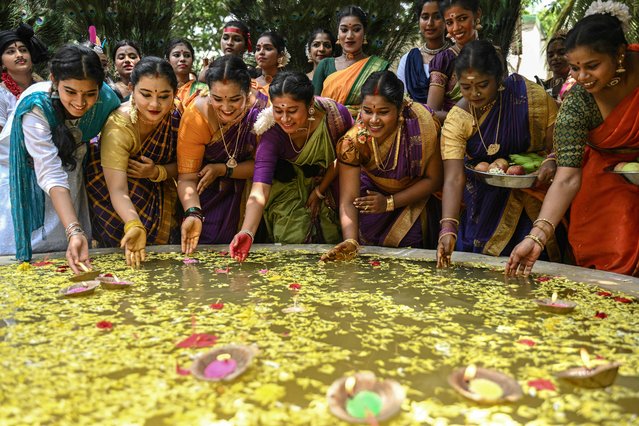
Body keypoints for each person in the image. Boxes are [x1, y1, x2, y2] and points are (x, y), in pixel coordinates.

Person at [506, 3, 639, 277]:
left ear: (620, 55)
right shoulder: (578, 102)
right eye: (575, 68)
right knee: (613, 250)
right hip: (602, 182)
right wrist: (536, 237)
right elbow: (567, 177)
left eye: (592, 66)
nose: (582, 77)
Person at [436, 40, 560, 268]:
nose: (474, 93)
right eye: (465, 87)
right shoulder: (458, 119)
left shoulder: (529, 97)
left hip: (531, 196)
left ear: (499, 77)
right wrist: (448, 227)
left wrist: (551, 161)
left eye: (483, 85)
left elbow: (558, 144)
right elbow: (453, 177)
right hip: (482, 202)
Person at [0, 44, 120, 270]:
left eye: (90, 93)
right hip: (22, 177)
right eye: (70, 92)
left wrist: (73, 231)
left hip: (69, 175)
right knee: (21, 263)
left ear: (100, 87)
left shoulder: (108, 102)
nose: (80, 103)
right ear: (54, 80)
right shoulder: (36, 104)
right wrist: (74, 229)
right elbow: (49, 169)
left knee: (64, 255)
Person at [229, 72, 353, 261]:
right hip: (287, 190)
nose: (285, 119)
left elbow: (347, 159)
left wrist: (320, 190)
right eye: (278, 110)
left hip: (331, 182)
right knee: (292, 242)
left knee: (333, 243)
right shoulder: (272, 133)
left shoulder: (336, 116)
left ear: (310, 105)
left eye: (292, 111)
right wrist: (247, 232)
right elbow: (260, 188)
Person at [322, 71, 442, 261]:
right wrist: (351, 242)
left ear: (400, 108)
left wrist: (389, 202)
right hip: (370, 200)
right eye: (367, 111)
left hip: (413, 199)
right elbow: (348, 200)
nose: (374, 120)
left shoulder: (423, 125)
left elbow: (434, 180)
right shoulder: (353, 142)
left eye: (383, 112)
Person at [85, 57, 180, 267]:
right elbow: (117, 189)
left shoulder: (178, 116)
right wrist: (133, 224)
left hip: (157, 193)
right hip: (108, 193)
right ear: (131, 89)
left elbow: (187, 167)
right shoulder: (119, 124)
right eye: (145, 95)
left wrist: (157, 172)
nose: (155, 104)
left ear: (175, 93)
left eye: (164, 96)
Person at [178, 55, 268, 254]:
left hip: (252, 193)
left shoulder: (262, 111)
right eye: (217, 99)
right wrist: (193, 212)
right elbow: (186, 178)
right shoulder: (196, 116)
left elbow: (264, 168)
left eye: (235, 100)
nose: (226, 108)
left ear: (248, 91)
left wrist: (223, 169)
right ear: (208, 92)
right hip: (208, 193)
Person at [312, 6, 389, 117]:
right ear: (338, 33)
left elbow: (382, 108)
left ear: (364, 33)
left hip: (364, 130)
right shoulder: (325, 65)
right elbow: (313, 107)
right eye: (344, 30)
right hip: (327, 130)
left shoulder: (377, 66)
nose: (349, 36)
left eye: (356, 30)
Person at [427, 0, 482, 121]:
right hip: (456, 134)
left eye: (462, 18)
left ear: (477, 14)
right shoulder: (444, 61)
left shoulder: (494, 54)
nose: (456, 28)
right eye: (449, 22)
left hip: (495, 131)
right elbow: (431, 113)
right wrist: (469, 118)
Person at [397, 1, 450, 103]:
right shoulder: (407, 60)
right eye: (425, 17)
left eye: (437, 17)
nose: (430, 23)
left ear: (446, 20)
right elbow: (402, 99)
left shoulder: (455, 56)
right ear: (419, 21)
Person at [0, 23, 48, 132]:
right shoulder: (2, 95)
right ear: (2, 63)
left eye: (23, 50)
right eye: (11, 52)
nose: (19, 55)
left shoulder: (45, 88)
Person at [165, 38, 208, 107]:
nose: (182, 59)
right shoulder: (162, 91)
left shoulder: (203, 90)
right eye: (176, 55)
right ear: (168, 61)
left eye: (187, 55)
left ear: (192, 61)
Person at [535, 32, 570, 101]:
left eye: (561, 53)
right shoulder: (541, 87)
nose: (555, 57)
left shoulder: (578, 86)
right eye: (551, 55)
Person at [253, 31, 289, 98]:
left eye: (268, 48)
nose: (261, 52)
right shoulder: (251, 85)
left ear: (280, 55)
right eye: (258, 49)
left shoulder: (289, 84)